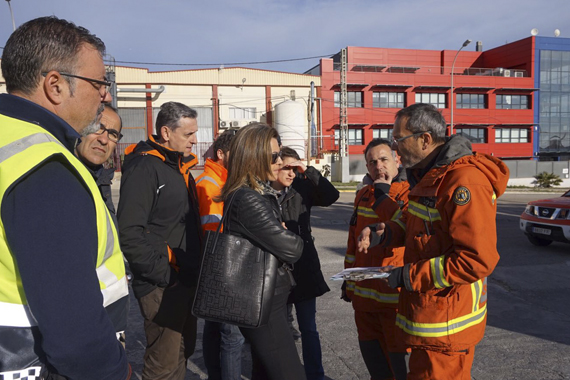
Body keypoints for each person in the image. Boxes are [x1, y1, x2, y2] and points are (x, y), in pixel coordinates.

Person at [0, 16, 130, 380]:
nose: (105, 94)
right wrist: (117, 371)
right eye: (99, 83)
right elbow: (76, 337)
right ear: (55, 85)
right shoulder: (44, 167)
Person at [358, 103, 509, 380]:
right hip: (431, 319)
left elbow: (476, 260)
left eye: (399, 140)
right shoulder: (431, 175)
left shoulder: (463, 182)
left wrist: (407, 275)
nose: (396, 148)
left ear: (425, 139)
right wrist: (387, 231)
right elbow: (416, 222)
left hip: (446, 327)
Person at [117, 101, 202, 380]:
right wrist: (164, 275)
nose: (194, 140)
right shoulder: (145, 167)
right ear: (166, 132)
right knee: (163, 364)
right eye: (188, 134)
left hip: (183, 277)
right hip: (162, 283)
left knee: (182, 351)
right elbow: (130, 232)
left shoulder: (178, 167)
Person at [217, 123, 306, 380]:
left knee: (266, 371)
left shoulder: (257, 193)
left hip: (264, 298)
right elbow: (293, 248)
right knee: (290, 373)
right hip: (262, 301)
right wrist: (288, 234)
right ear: (254, 156)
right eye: (273, 156)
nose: (279, 161)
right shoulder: (249, 198)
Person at [343, 139, 409, 380]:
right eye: (372, 162)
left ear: (397, 160)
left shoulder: (409, 192)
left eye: (384, 159)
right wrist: (348, 280)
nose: (378, 166)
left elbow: (405, 228)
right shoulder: (362, 194)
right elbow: (352, 243)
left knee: (400, 371)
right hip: (363, 301)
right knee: (377, 370)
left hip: (395, 301)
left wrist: (384, 196)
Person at [270, 146, 338, 380]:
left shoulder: (301, 188)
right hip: (275, 270)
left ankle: (315, 375)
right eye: (286, 167)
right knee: (280, 331)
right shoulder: (263, 193)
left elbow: (331, 197)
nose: (291, 173)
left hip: (303, 267)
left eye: (294, 168)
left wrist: (307, 170)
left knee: (308, 328)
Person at [196, 129, 245, 380]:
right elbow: (214, 235)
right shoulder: (210, 185)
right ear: (221, 153)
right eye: (236, 152)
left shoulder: (221, 181)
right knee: (231, 336)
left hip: (216, 268)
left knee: (215, 330)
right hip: (220, 269)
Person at [76, 106, 123, 224]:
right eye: (98, 128)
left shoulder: (102, 181)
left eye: (113, 134)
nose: (104, 140)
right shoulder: (56, 177)